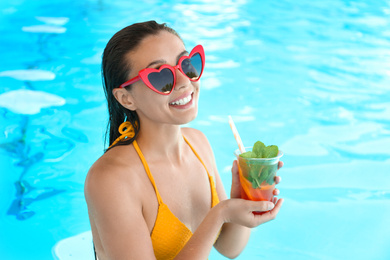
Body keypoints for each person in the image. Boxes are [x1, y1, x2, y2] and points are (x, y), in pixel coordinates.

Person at [84, 20, 284, 260]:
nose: (184, 81)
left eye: (186, 64)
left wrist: (244, 199)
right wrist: (219, 214)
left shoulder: (198, 144)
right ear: (127, 99)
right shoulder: (112, 179)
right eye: (160, 76)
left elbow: (230, 248)